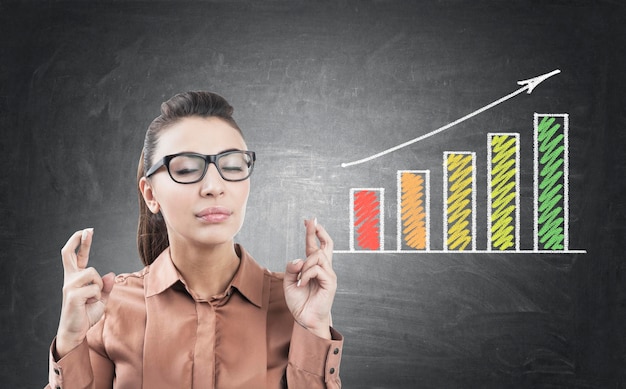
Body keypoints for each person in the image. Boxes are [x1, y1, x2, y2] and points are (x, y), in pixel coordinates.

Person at [46, 91, 343, 388]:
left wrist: (314, 329)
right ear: (150, 194)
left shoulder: (294, 307)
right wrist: (70, 342)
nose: (214, 186)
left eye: (232, 167)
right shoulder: (109, 309)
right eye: (187, 169)